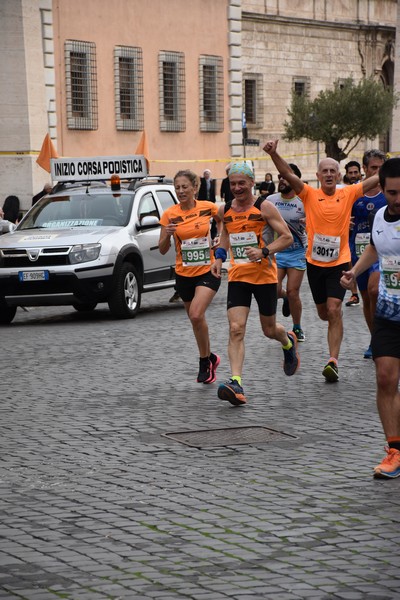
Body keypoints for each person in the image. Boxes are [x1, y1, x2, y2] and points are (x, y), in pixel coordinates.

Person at [263, 139, 379, 383]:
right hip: (315, 264)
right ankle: (318, 330)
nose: (328, 174)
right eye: (324, 171)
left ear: (339, 175)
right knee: (324, 314)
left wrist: (393, 167)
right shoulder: (308, 193)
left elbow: (374, 179)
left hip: (340, 263)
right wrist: (274, 153)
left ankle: (333, 361)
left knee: (335, 309)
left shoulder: (348, 193)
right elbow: (286, 172)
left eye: (332, 171)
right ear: (317, 175)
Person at [211, 162, 299, 406]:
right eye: (233, 183)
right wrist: (219, 258)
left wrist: (264, 251)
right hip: (239, 276)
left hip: (264, 277)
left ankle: (287, 341)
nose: (237, 188)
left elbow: (287, 237)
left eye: (242, 183)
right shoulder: (225, 210)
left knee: (269, 330)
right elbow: (226, 235)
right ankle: (236, 382)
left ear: (252, 183)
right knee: (236, 328)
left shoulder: (265, 207)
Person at [340, 157, 400, 479]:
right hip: (389, 314)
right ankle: (395, 449)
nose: (398, 199)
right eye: (392, 193)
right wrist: (355, 271)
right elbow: (376, 248)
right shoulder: (378, 215)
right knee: (385, 379)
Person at [159, 169, 222, 384]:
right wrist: (166, 235)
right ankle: (211, 357)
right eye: (177, 187)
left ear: (195, 188)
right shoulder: (169, 214)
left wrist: (220, 237)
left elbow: (224, 218)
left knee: (196, 315)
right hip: (183, 274)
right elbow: (161, 249)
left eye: (185, 187)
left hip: (208, 270)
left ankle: (204, 361)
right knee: (196, 321)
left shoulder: (207, 208)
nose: (181, 191)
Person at [348, 149, 387, 358]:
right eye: (373, 168)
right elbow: (342, 217)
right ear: (364, 169)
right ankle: (375, 339)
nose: (377, 172)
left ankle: (382, 338)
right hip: (358, 250)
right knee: (366, 297)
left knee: (374, 290)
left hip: (381, 253)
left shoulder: (390, 192)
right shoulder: (354, 194)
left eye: (381, 168)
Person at [267, 163, 307, 342]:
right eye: (280, 176)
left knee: (293, 292)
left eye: (286, 176)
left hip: (298, 251)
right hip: (277, 252)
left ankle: (297, 328)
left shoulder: (303, 201)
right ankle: (283, 298)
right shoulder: (271, 200)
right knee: (273, 289)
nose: (281, 179)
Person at [343, 161, 362, 307]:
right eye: (351, 173)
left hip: (366, 233)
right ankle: (354, 294)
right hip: (349, 235)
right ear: (347, 174)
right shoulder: (344, 192)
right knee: (351, 264)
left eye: (356, 172)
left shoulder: (364, 189)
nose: (353, 175)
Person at [197, 169, 218, 240]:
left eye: (208, 174)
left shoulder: (212, 181)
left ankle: (211, 230)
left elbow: (213, 190)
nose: (207, 175)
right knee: (204, 214)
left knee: (212, 213)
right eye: (205, 174)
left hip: (211, 199)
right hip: (203, 199)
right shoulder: (202, 180)